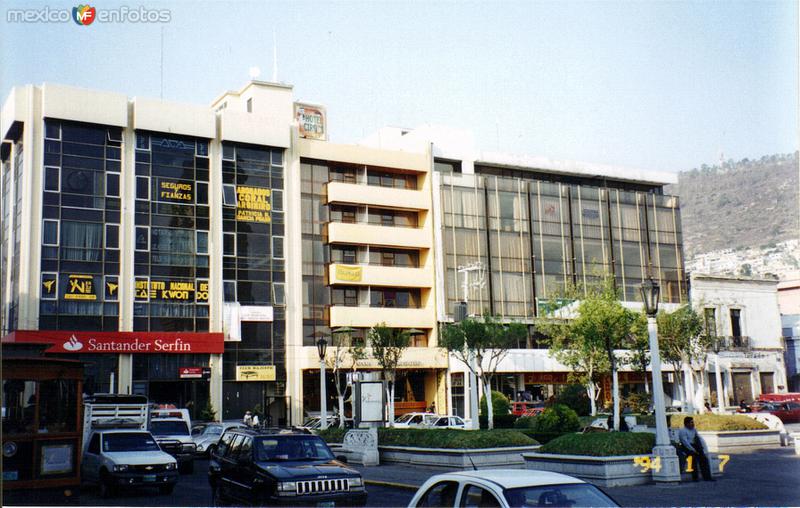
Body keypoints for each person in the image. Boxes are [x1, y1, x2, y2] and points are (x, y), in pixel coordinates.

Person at [677, 416, 714, 481]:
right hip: (686, 447)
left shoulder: (694, 430)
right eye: (691, 422)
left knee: (704, 459)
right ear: (686, 423)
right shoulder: (683, 431)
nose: (693, 424)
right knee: (693, 459)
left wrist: (703, 448)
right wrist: (693, 450)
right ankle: (695, 477)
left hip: (695, 446)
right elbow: (685, 442)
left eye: (693, 422)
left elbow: (698, 438)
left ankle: (707, 477)